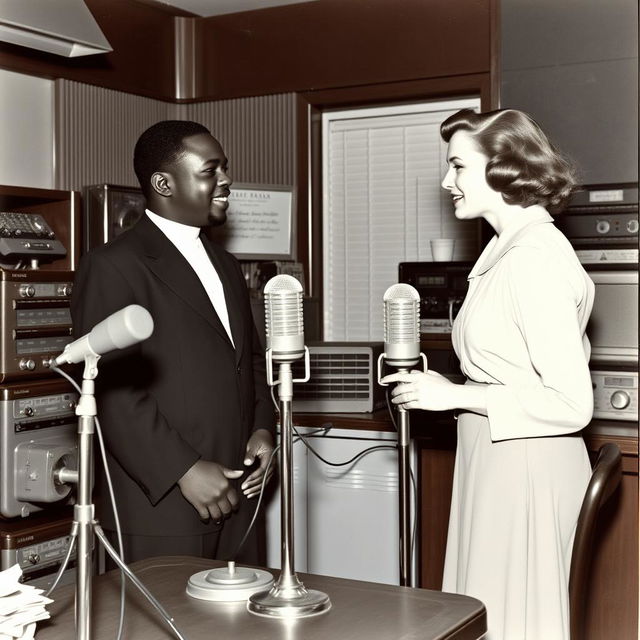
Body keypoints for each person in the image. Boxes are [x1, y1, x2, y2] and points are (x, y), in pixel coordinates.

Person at [382, 108, 594, 640]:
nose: (445, 181)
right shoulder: (503, 250)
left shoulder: (533, 259)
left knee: (515, 620)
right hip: (498, 456)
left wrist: (454, 393)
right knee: (490, 614)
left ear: (503, 168)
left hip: (526, 464)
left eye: (458, 166)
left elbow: (571, 404)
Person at [70, 120, 275, 566]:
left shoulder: (226, 264)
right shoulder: (113, 265)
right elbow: (111, 390)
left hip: (240, 497)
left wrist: (263, 429)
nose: (226, 180)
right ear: (164, 183)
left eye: (225, 169)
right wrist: (183, 470)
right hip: (162, 508)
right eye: (211, 170)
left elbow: (251, 362)